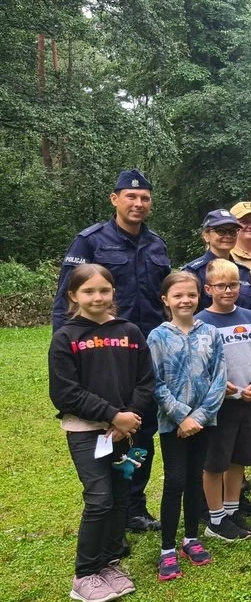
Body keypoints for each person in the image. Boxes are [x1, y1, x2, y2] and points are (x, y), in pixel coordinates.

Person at [52, 169, 171, 534]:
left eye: (144, 198)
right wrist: (70, 353)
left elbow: (162, 300)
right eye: (130, 197)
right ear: (114, 199)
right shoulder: (89, 241)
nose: (138, 203)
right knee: (104, 426)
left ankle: (133, 507)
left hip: (145, 350)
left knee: (142, 427)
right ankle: (106, 505)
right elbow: (64, 302)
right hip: (100, 351)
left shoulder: (157, 245)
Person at [49, 264, 155, 602]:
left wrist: (129, 417)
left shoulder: (130, 331)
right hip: (87, 433)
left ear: (113, 293)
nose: (97, 297)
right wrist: (112, 415)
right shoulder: (66, 338)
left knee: (122, 495)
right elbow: (65, 394)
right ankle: (85, 574)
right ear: (73, 296)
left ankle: (110, 564)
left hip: (129, 433)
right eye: (88, 291)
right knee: (99, 499)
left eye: (104, 290)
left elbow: (145, 380)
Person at [148, 271, 227, 582]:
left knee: (196, 478)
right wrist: (182, 416)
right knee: (175, 480)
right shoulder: (157, 336)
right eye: (178, 295)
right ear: (165, 299)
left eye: (191, 295)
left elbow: (219, 378)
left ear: (199, 297)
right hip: (174, 425)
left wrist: (201, 416)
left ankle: (190, 538)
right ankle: (167, 548)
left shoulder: (211, 333)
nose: (185, 300)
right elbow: (155, 383)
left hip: (205, 420)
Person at [196, 259, 251, 541]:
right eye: (221, 286)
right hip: (219, 406)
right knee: (216, 462)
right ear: (208, 289)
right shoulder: (201, 323)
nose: (228, 290)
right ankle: (214, 519)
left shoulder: (250, 317)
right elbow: (197, 366)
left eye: (233, 285)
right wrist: (218, 385)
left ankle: (231, 512)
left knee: (239, 459)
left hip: (250, 401)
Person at [182, 209, 251, 312]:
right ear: (206, 236)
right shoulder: (193, 272)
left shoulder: (243, 271)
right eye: (220, 231)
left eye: (232, 231)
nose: (228, 236)